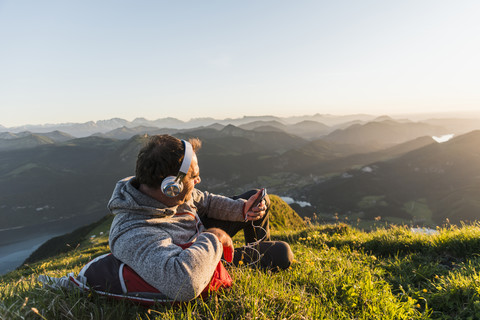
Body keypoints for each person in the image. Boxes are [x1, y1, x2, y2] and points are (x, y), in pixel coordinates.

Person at [106, 134, 293, 302]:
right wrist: (214, 237)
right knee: (282, 253)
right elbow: (183, 285)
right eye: (194, 176)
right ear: (171, 186)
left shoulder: (170, 193)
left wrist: (243, 209)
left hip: (200, 238)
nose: (198, 180)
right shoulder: (132, 231)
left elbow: (206, 201)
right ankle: (252, 260)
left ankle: (257, 257)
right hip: (200, 259)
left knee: (256, 199)